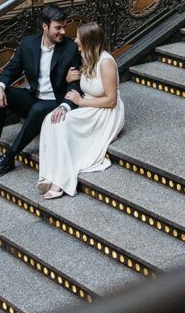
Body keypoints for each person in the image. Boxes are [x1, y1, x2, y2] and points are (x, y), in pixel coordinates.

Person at [0, 3, 82, 179]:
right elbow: (11, 69)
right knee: (2, 93)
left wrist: (65, 106)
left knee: (38, 109)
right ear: (45, 26)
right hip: (35, 98)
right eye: (58, 28)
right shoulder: (28, 44)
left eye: (64, 27)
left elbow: (75, 85)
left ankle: (9, 157)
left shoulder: (70, 48)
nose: (63, 31)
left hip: (55, 102)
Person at [37, 22, 124, 199]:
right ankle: (48, 174)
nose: (75, 40)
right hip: (87, 106)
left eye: (79, 37)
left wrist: (81, 101)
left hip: (104, 111)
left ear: (89, 41)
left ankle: (60, 181)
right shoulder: (86, 58)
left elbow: (111, 100)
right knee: (50, 120)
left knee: (64, 125)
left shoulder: (106, 62)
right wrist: (67, 78)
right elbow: (75, 87)